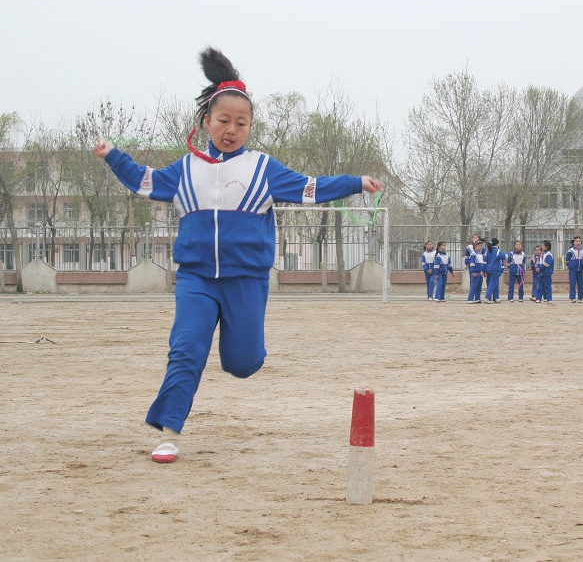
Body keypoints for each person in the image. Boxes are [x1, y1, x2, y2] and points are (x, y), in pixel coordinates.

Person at [93, 48, 382, 463]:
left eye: (241, 123)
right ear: (206, 122)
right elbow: (142, 181)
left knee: (242, 363)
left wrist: (357, 182)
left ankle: (243, 350)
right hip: (195, 278)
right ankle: (168, 433)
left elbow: (312, 188)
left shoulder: (263, 168)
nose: (231, 129)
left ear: (250, 126)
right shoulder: (185, 169)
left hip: (246, 279)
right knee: (186, 349)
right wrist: (112, 156)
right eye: (224, 121)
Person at [484, 238, 506, 303]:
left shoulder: (487, 252)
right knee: (493, 284)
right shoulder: (497, 251)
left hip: (488, 270)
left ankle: (496, 297)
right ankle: (487, 297)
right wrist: (510, 254)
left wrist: (483, 270)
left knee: (493, 283)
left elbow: (485, 261)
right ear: (497, 244)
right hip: (495, 270)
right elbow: (504, 257)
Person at [566, 236, 583, 302]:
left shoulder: (582, 250)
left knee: (580, 283)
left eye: (579, 241)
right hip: (573, 269)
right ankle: (572, 297)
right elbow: (567, 260)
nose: (578, 242)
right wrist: (571, 266)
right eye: (576, 241)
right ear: (573, 242)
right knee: (572, 283)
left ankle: (580, 298)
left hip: (580, 269)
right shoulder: (570, 251)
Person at [467, 239, 486, 304]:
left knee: (479, 286)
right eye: (479, 246)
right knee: (474, 286)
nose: (480, 248)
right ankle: (470, 298)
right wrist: (473, 271)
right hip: (475, 273)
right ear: (475, 247)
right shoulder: (473, 254)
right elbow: (472, 264)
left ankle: (477, 298)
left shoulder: (481, 255)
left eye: (481, 246)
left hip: (480, 273)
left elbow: (483, 264)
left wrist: (483, 271)